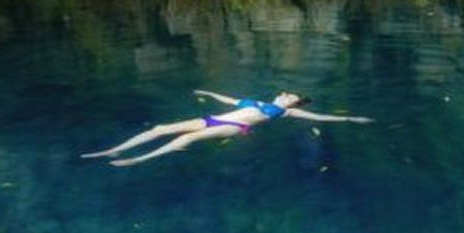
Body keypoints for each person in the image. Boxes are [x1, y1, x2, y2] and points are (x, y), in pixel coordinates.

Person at [82, 90, 372, 167]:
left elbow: (321, 118)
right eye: (286, 93)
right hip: (215, 118)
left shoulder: (287, 111)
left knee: (186, 138)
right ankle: (114, 149)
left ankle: (139, 159)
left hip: (234, 127)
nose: (285, 94)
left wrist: (350, 119)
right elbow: (231, 100)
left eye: (290, 95)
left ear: (292, 102)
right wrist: (208, 93)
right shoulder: (258, 100)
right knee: (160, 128)